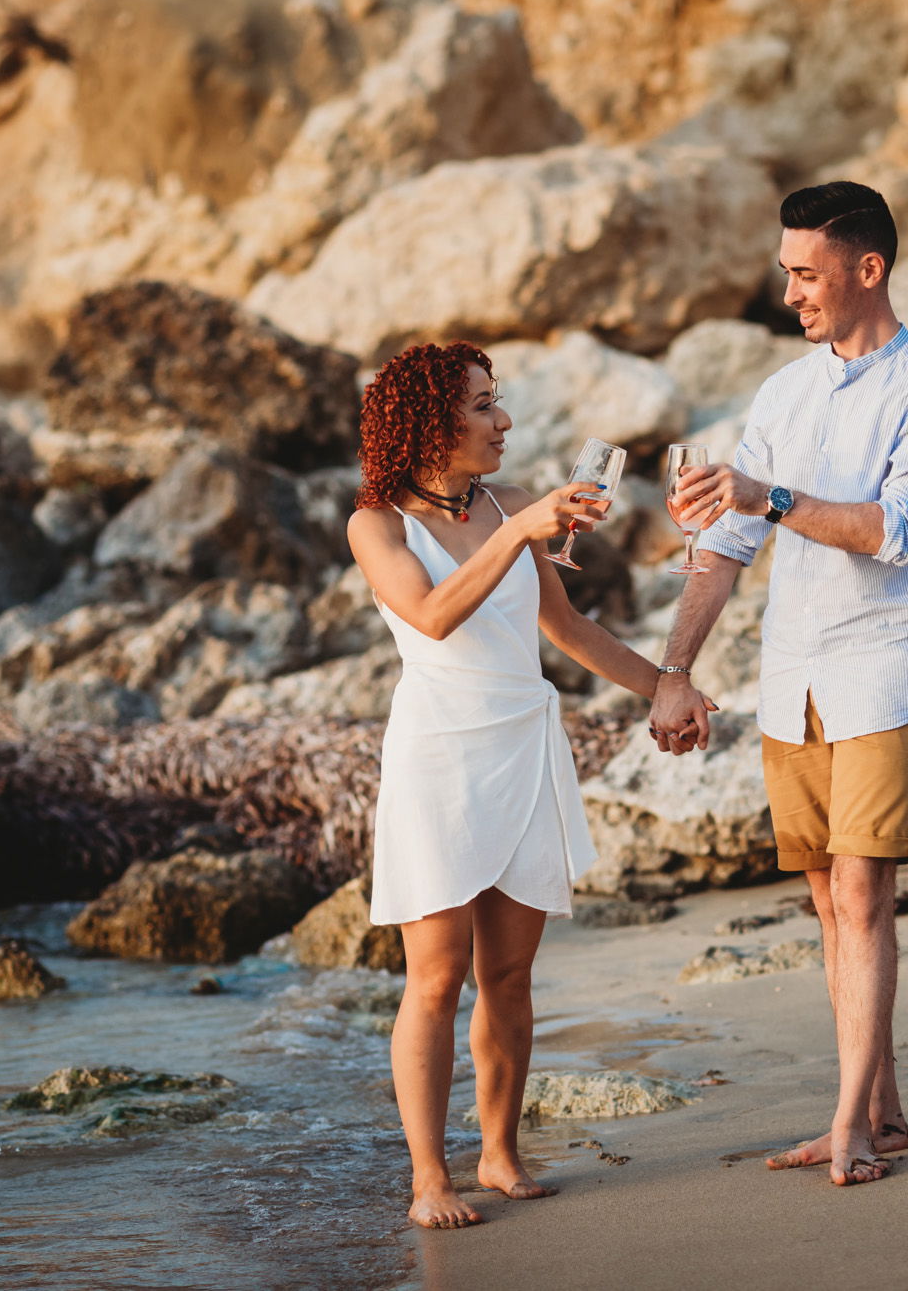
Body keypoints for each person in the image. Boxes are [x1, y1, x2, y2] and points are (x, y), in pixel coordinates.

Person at [348, 340, 719, 1231]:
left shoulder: (508, 503)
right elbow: (433, 617)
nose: (502, 419)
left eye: (496, 400)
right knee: (435, 979)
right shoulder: (378, 524)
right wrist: (519, 530)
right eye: (482, 405)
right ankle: (429, 1177)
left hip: (524, 748)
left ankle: (500, 1152)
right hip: (439, 759)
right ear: (432, 422)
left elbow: (569, 627)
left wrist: (668, 683)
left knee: (509, 974)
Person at [648, 181, 908, 1187]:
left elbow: (893, 532)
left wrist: (770, 494)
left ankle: (849, 1130)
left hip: (882, 667)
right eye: (784, 270)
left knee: (861, 892)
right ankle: (882, 1107)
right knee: (827, 907)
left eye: (804, 271)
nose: (787, 289)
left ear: (864, 269)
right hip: (790, 677)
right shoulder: (782, 395)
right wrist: (673, 670)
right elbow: (725, 544)